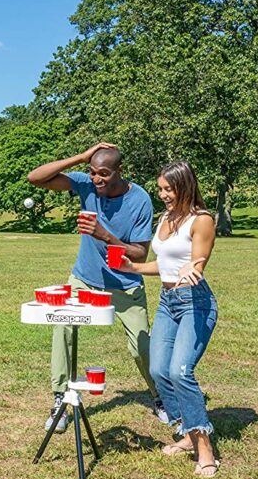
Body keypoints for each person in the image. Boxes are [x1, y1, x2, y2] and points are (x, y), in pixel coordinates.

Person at [27, 142, 164, 432]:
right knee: (62, 328)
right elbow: (36, 178)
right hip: (84, 279)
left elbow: (140, 254)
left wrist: (105, 236)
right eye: (92, 172)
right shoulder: (86, 186)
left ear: (119, 171)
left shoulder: (139, 199)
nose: (97, 179)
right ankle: (61, 400)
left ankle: (161, 396)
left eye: (103, 173)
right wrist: (81, 157)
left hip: (125, 284)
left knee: (141, 347)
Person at [118, 161, 220, 477]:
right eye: (160, 189)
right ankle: (187, 432)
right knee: (158, 369)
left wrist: (195, 269)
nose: (162, 194)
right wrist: (134, 268)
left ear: (185, 186)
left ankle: (205, 449)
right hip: (167, 302)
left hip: (195, 303)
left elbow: (198, 261)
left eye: (168, 189)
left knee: (180, 371)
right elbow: (164, 265)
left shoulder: (201, 220)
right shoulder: (165, 218)